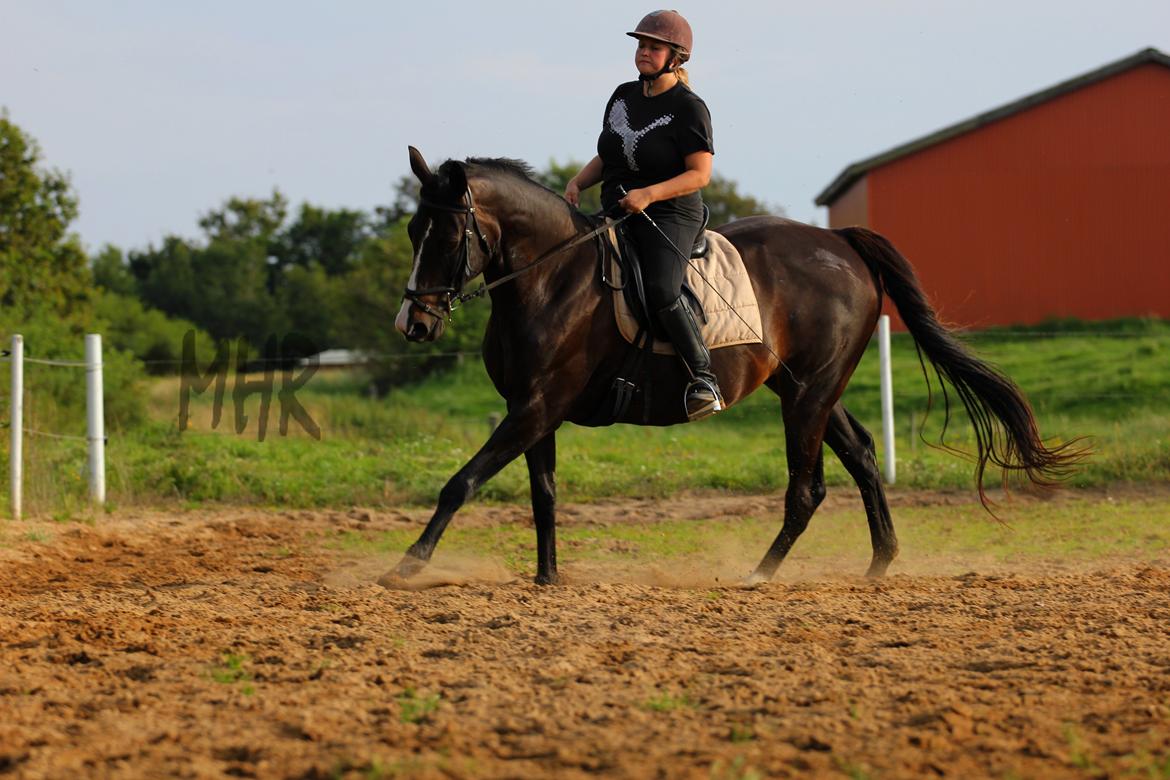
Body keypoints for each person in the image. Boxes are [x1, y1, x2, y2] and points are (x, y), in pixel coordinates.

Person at [564, 9, 721, 422]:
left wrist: (649, 194)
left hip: (669, 214)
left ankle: (703, 378)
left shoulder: (689, 107)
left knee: (660, 289)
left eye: (654, 47)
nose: (644, 52)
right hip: (618, 208)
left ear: (677, 57)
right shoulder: (622, 96)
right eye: (641, 45)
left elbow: (700, 174)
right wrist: (578, 182)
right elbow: (610, 151)